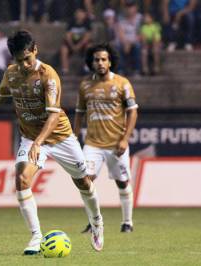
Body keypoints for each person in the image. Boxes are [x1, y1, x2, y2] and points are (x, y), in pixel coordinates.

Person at [0, 30, 104, 254]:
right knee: (21, 179)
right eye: (19, 60)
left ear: (35, 50)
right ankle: (36, 237)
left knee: (84, 183)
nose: (24, 65)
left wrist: (40, 142)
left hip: (60, 137)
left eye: (27, 58)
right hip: (31, 137)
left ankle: (97, 223)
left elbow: (53, 115)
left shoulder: (48, 75)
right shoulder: (11, 74)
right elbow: (0, 96)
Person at [74, 43, 138, 234]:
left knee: (122, 182)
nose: (100, 63)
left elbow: (132, 112)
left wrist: (125, 138)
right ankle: (94, 221)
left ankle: (127, 222)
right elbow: (79, 113)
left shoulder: (122, 83)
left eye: (104, 59)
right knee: (86, 181)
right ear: (91, 63)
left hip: (116, 144)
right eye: (96, 60)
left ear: (110, 62)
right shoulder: (85, 85)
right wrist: (74, 137)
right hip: (92, 144)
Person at [59, 8, 92, 75]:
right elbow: (68, 36)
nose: (79, 15)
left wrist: (79, 46)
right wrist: (72, 46)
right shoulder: (71, 22)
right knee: (63, 49)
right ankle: (65, 70)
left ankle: (87, 68)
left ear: (85, 14)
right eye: (78, 13)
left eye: (81, 13)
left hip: (83, 44)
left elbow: (87, 36)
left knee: (89, 47)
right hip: (72, 44)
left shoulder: (87, 23)